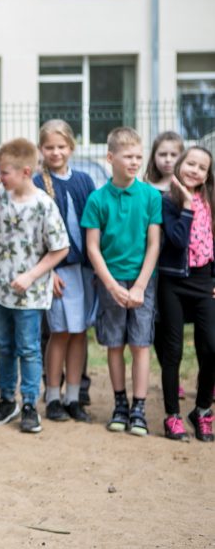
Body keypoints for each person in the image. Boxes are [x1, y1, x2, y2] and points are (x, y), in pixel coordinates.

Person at [0, 138, 69, 434]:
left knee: (28, 348)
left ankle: (28, 404)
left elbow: (60, 248)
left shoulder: (43, 205)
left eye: (5, 172)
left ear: (26, 172)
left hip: (29, 293)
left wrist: (31, 275)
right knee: (3, 346)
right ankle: (5, 399)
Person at [82, 127, 162, 437]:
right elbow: (92, 247)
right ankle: (120, 405)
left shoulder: (151, 196)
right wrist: (112, 285)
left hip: (143, 281)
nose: (134, 162)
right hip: (109, 281)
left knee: (140, 344)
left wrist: (140, 285)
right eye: (128, 156)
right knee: (114, 344)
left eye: (139, 157)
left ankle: (139, 408)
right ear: (110, 157)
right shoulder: (97, 199)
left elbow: (154, 244)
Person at [33, 120, 97, 424]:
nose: (56, 152)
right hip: (57, 272)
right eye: (50, 147)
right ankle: (54, 396)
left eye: (61, 146)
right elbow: (34, 235)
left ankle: (74, 397)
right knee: (59, 332)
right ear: (41, 149)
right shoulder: (36, 183)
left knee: (79, 332)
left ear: (70, 147)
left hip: (85, 270)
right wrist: (48, 272)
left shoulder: (84, 181)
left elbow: (94, 226)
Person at [154, 145, 215, 442]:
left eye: (201, 168)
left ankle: (202, 411)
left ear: (206, 176)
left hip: (204, 282)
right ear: (179, 165)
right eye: (190, 163)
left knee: (211, 348)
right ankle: (172, 416)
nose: (194, 170)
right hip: (174, 282)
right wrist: (188, 206)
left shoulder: (212, 202)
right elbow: (177, 241)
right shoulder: (168, 201)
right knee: (173, 351)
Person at [145, 130, 188, 400]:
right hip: (157, 265)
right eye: (163, 154)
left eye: (174, 154)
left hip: (187, 266)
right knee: (163, 324)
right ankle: (170, 375)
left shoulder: (188, 190)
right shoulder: (147, 189)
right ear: (154, 156)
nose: (168, 159)